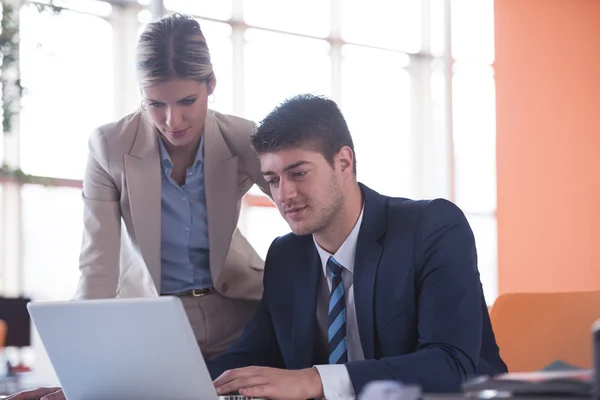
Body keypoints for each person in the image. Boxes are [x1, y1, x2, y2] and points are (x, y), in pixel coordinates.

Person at [207, 94, 508, 399]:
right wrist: (182, 381)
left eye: (298, 173)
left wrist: (316, 380)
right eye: (272, 179)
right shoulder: (287, 256)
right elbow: (250, 356)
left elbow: (453, 364)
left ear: (344, 162)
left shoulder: (431, 228)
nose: (283, 195)